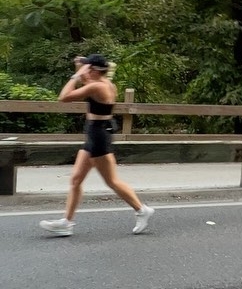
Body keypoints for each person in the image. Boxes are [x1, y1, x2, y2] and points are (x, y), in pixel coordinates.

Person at [39, 54, 155, 237]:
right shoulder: (104, 83)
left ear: (93, 70)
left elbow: (64, 97)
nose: (84, 72)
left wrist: (75, 76)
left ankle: (142, 210)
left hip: (99, 136)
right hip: (95, 133)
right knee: (76, 179)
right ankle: (66, 223)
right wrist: (81, 67)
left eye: (88, 68)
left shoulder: (98, 86)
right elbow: (86, 81)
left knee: (112, 181)